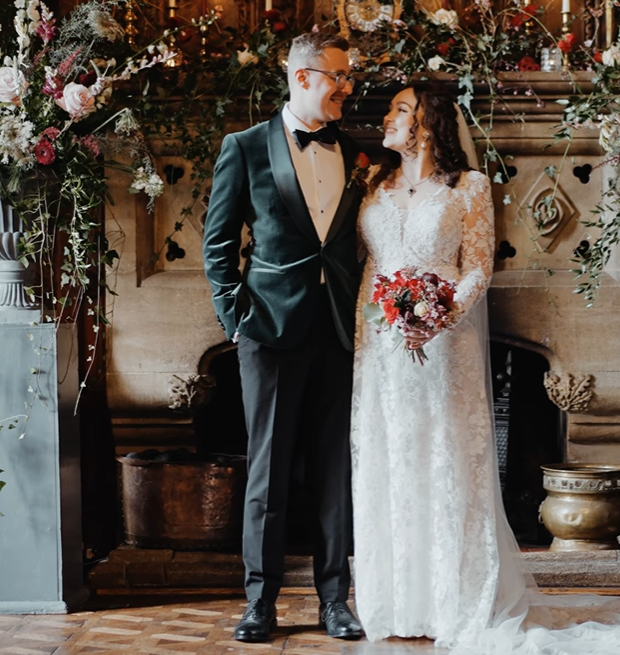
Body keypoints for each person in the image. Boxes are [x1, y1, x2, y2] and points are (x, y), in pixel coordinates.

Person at [349, 84, 620, 654]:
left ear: (426, 124)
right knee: (394, 465)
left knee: (446, 464)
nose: (387, 117)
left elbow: (477, 268)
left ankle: (456, 603)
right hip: (385, 355)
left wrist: (439, 314)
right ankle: (401, 603)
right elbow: (373, 270)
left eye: (400, 110)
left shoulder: (469, 188)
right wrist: (369, 342)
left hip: (444, 348)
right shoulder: (375, 187)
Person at [201, 31, 365, 644]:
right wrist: (235, 318)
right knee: (267, 473)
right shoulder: (243, 148)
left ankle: (334, 600)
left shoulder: (354, 152)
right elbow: (217, 245)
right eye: (339, 75)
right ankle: (260, 602)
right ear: (302, 77)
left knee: (333, 471)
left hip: (338, 330)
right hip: (268, 332)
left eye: (349, 76)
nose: (348, 86)